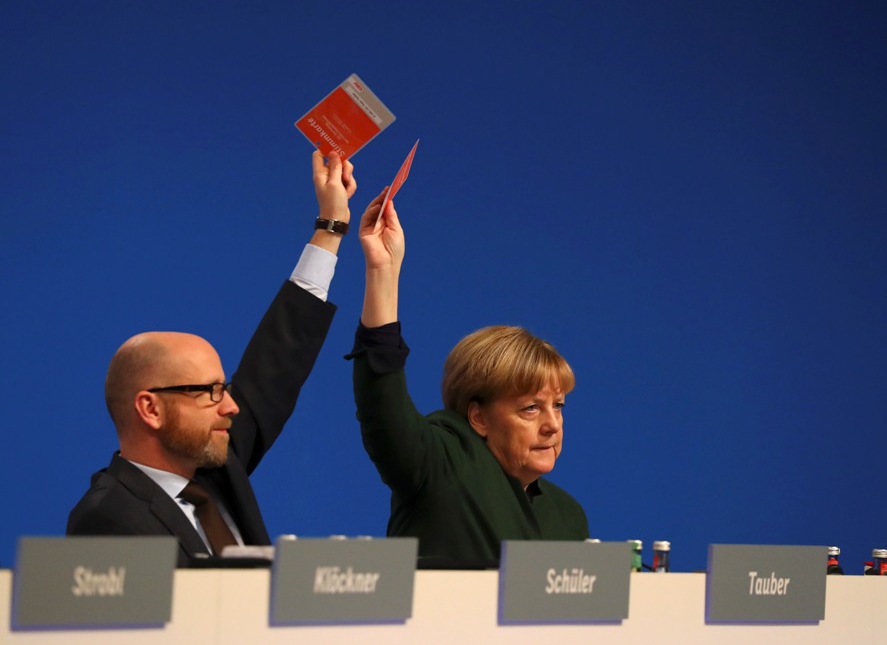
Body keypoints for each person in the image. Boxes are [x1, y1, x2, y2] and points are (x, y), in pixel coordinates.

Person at [67, 150, 356, 566]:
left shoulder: (215, 471)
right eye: (209, 392)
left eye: (224, 388)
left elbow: (276, 364)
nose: (232, 404)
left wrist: (331, 227)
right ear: (150, 408)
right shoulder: (108, 517)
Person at [345, 189, 589, 567]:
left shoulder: (568, 517)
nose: (552, 426)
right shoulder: (440, 464)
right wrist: (383, 272)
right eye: (530, 409)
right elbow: (382, 402)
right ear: (478, 417)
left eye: (558, 406)